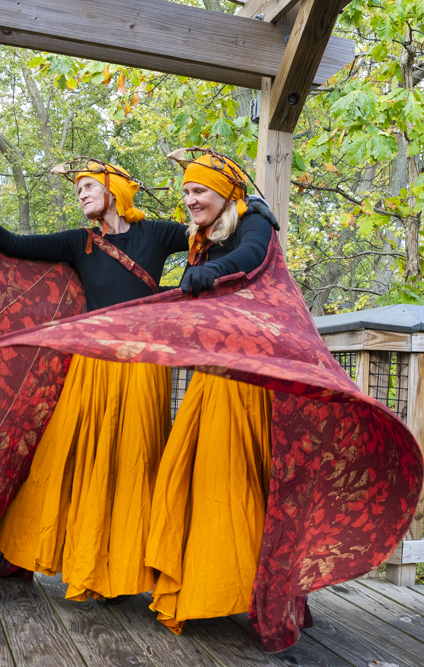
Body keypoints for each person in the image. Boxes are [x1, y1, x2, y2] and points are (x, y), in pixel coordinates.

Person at [0, 160, 187, 601]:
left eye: (89, 186)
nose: (81, 194)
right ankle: (12, 550)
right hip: (90, 366)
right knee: (59, 456)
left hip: (144, 368)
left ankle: (115, 566)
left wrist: (251, 210)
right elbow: (13, 244)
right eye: (78, 188)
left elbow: (213, 233)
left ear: (115, 189)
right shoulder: (78, 242)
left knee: (133, 462)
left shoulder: (158, 234)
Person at [145, 148, 279, 634]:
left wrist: (212, 272)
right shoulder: (202, 236)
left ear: (225, 194)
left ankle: (233, 587)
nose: (189, 199)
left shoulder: (254, 220)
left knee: (230, 478)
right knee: (190, 471)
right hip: (212, 370)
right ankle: (201, 584)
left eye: (198, 190)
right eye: (185, 192)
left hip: (248, 374)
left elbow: (251, 257)